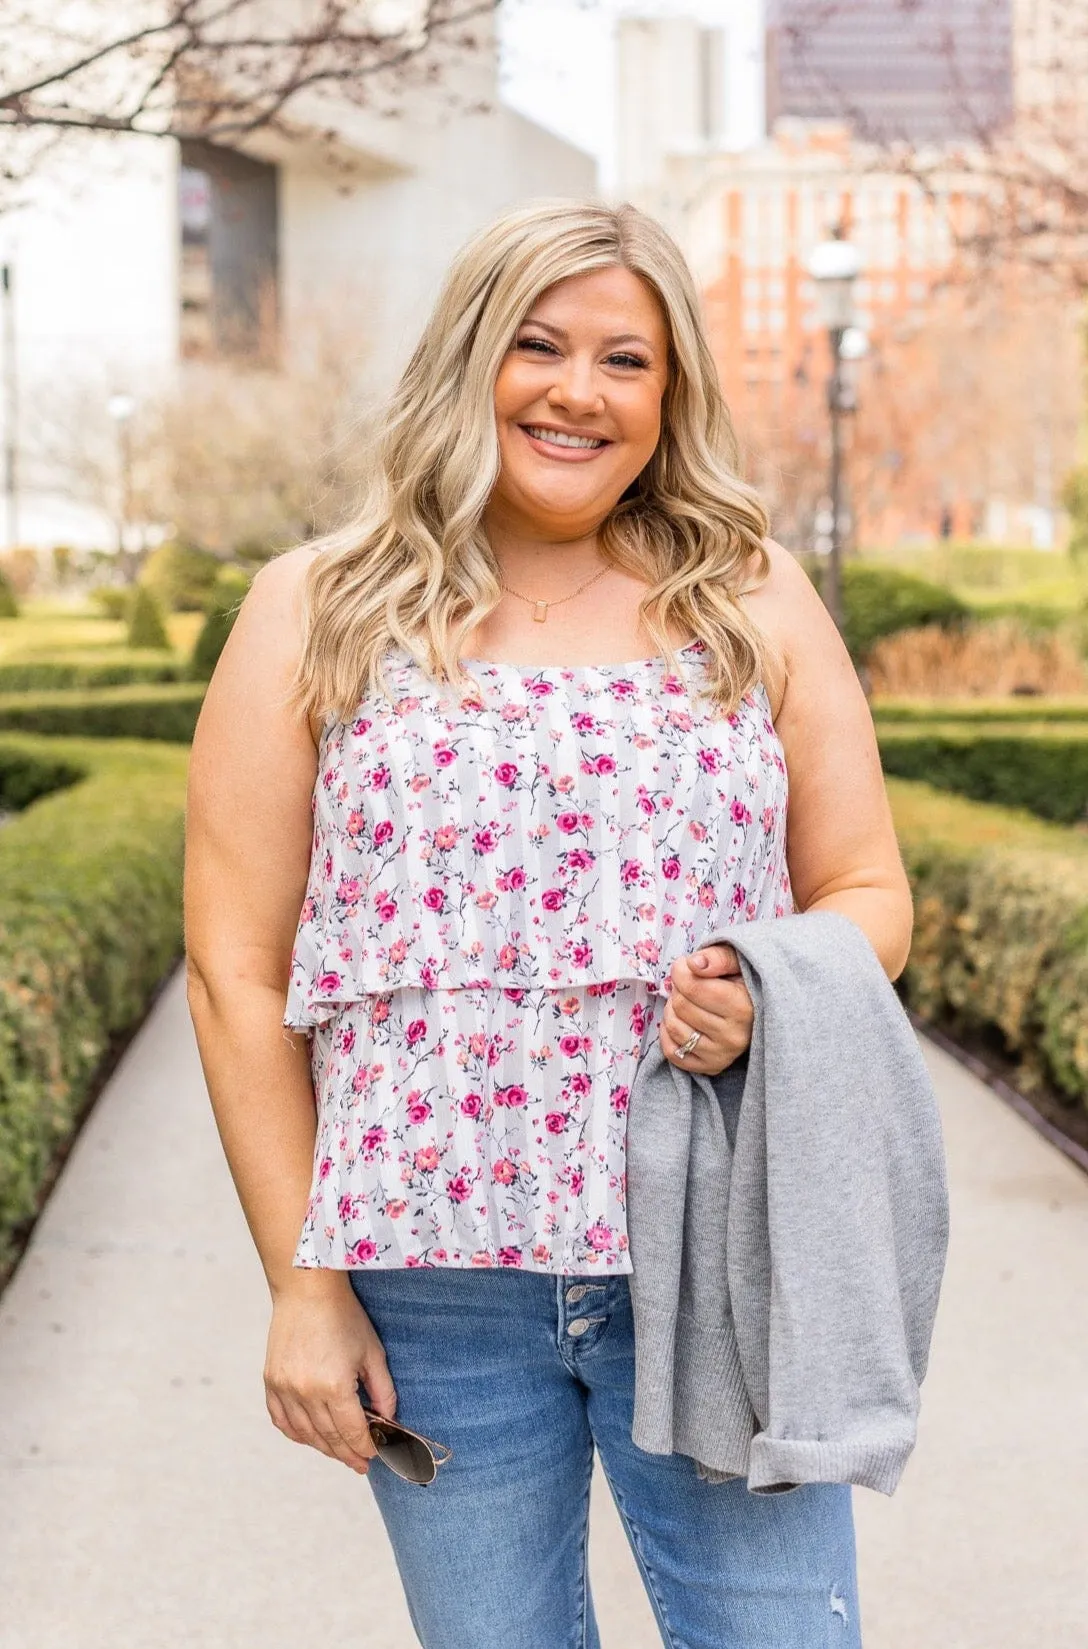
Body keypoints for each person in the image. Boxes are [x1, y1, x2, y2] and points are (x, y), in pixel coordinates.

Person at [184, 198, 913, 1649]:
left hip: (714, 1252)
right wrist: (301, 1285)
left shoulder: (751, 598)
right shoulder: (317, 608)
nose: (580, 391)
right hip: (429, 1285)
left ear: (671, 394)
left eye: (626, 361)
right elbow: (235, 970)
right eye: (540, 346)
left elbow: (871, 893)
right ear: (471, 359)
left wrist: (773, 987)